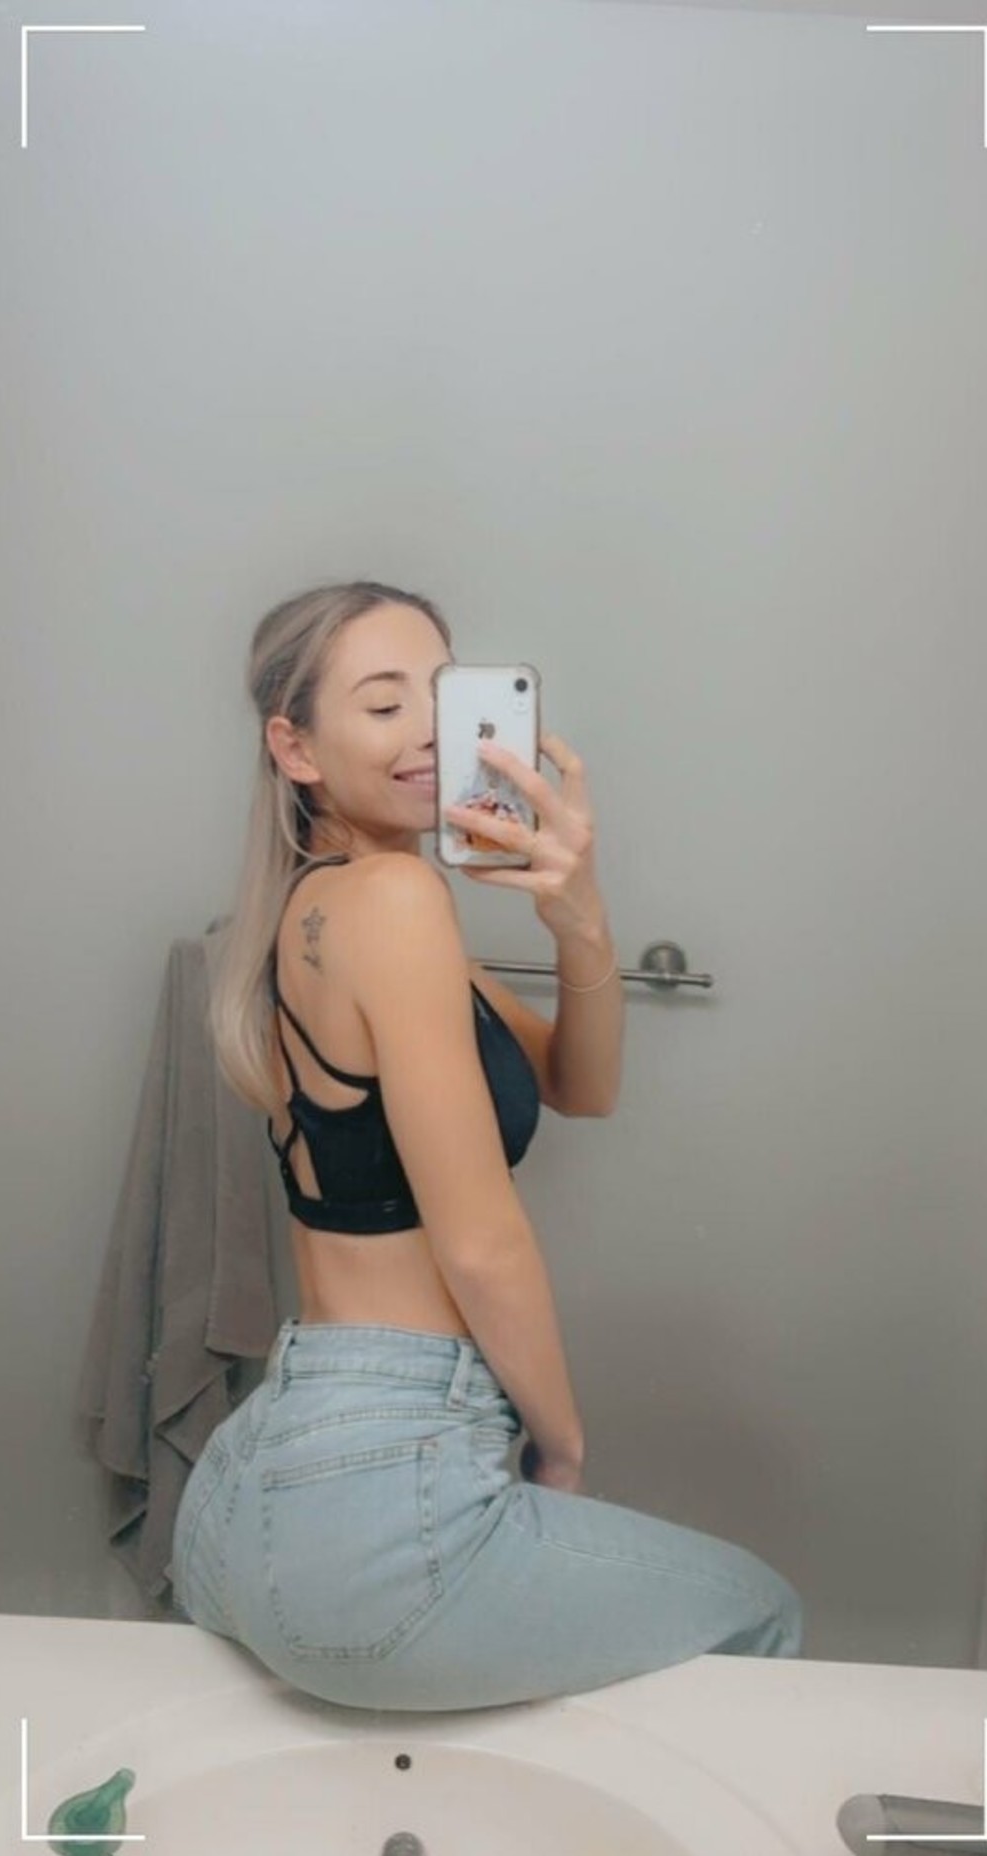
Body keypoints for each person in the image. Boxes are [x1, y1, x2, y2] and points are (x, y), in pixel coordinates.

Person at [171, 579, 804, 1709]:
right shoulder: (395, 901)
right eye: (383, 704)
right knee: (760, 1612)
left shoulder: (315, 907)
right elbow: (481, 1243)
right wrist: (560, 1446)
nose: (428, 729)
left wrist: (580, 914)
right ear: (295, 747)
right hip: (381, 1467)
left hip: (254, 1481)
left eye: (443, 693)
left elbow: (580, 1085)